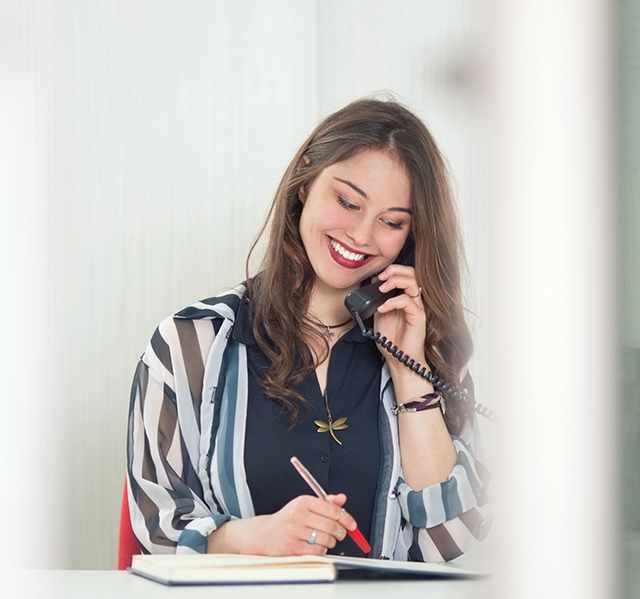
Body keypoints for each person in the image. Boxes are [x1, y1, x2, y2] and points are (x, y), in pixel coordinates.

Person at [126, 97, 491, 562]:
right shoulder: (190, 344)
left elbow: (451, 536)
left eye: (392, 222)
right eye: (347, 201)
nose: (361, 235)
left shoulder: (428, 352)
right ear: (305, 183)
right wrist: (252, 538)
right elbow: (157, 526)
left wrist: (410, 373)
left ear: (410, 239)